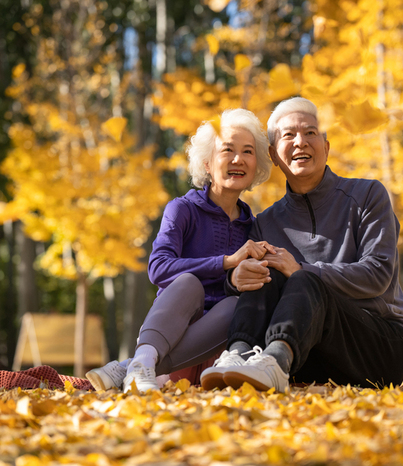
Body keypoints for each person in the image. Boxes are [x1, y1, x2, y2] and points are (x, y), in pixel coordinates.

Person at [201, 97, 403, 392]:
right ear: (274, 155)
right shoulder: (266, 222)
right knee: (265, 270)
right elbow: (248, 287)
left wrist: (301, 270)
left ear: (326, 148)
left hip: (378, 349)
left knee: (305, 278)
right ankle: (238, 354)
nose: (300, 142)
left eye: (310, 133)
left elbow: (378, 275)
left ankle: (275, 361)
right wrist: (234, 279)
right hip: (306, 353)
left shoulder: (367, 195)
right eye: (288, 135)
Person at [86, 108, 274, 393]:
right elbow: (158, 268)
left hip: (213, 350)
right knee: (188, 283)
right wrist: (226, 262)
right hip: (169, 334)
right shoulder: (182, 209)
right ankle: (142, 361)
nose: (238, 159)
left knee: (235, 305)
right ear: (207, 163)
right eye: (228, 150)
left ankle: (131, 366)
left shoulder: (254, 227)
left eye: (248, 151)